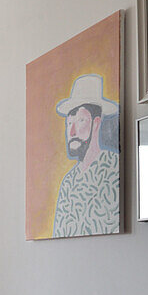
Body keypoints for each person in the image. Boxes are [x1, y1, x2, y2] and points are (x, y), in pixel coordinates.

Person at [52, 74, 120, 237]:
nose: (72, 132)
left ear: (96, 123)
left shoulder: (114, 169)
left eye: (80, 121)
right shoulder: (68, 183)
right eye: (69, 123)